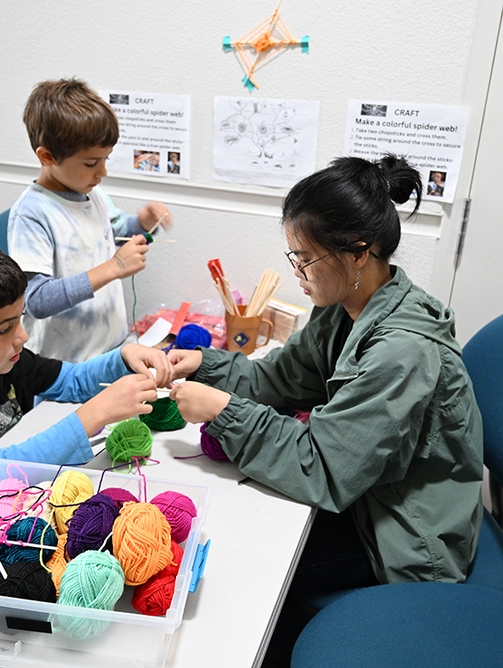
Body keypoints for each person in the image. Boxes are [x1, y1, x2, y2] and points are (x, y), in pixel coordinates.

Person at [168, 154, 483, 665]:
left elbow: (322, 466)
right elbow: (277, 380)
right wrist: (203, 364)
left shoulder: (401, 352)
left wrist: (224, 411)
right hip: (367, 498)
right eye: (293, 257)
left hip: (406, 538)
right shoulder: (345, 309)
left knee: (242, 570)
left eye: (305, 260)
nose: (297, 275)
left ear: (358, 253)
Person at [0, 236, 172, 505]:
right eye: (4, 329)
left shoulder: (6, 358)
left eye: (20, 319)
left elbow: (71, 381)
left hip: (11, 503)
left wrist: (123, 359)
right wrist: (94, 414)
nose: (22, 336)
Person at [7, 78, 172, 363]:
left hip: (109, 350)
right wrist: (114, 267)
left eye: (106, 159)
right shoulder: (32, 214)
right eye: (90, 163)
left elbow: (114, 233)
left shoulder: (93, 194)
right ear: (47, 156)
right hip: (64, 366)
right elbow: (37, 300)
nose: (102, 172)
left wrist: (142, 224)